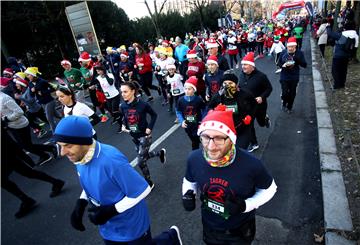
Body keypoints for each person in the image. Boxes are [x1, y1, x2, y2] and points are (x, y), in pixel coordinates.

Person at [53, 116, 182, 245]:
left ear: (84, 142)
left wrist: (110, 211)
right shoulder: (79, 157)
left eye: (67, 146)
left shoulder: (110, 160)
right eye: (60, 146)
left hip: (132, 226)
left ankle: (170, 237)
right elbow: (91, 182)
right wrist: (81, 203)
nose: (62, 153)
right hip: (108, 228)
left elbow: (143, 190)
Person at [181, 105, 277, 245]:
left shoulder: (251, 164)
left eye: (219, 138)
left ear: (231, 139)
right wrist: (188, 193)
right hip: (210, 226)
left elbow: (270, 189)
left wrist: (245, 205)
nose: (210, 146)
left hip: (240, 230)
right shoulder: (194, 158)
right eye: (206, 137)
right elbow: (189, 180)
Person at [1, 126, 65, 219]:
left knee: (7, 180)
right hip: (7, 154)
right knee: (27, 173)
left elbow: (6, 139)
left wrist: (21, 155)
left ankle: (26, 199)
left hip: (6, 155)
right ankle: (55, 182)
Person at [120, 82, 166, 188]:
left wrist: (149, 127)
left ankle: (149, 182)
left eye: (125, 91)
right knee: (144, 156)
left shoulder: (143, 104)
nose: (123, 94)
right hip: (133, 136)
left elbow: (154, 115)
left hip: (144, 136)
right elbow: (124, 117)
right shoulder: (123, 106)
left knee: (141, 161)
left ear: (133, 91)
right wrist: (123, 125)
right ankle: (160, 153)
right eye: (121, 92)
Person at [0, 91, 58, 165]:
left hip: (20, 125)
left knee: (27, 146)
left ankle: (49, 150)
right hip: (11, 126)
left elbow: (19, 112)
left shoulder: (4, 98)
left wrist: (5, 119)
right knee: (26, 146)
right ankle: (45, 154)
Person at [208, 71, 256, 149]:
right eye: (225, 83)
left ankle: (252, 143)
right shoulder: (218, 96)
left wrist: (250, 116)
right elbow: (209, 107)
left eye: (230, 83)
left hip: (242, 127)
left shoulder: (245, 94)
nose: (227, 86)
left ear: (236, 84)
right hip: (226, 129)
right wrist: (215, 111)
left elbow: (254, 105)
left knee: (240, 149)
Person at [238, 52, 273, 152]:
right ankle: (254, 143)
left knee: (261, 123)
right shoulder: (241, 75)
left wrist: (262, 97)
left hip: (259, 105)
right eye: (242, 65)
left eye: (245, 65)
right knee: (248, 124)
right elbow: (240, 87)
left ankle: (265, 119)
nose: (243, 67)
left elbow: (269, 88)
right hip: (247, 106)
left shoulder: (261, 76)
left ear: (252, 66)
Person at [25, 67, 62, 133]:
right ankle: (67, 120)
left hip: (49, 101)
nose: (27, 77)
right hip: (42, 102)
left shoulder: (42, 81)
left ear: (33, 74)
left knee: (49, 118)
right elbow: (32, 95)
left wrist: (43, 92)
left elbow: (53, 88)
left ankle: (55, 133)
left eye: (28, 75)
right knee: (56, 114)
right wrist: (32, 91)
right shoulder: (30, 83)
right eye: (27, 75)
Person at [13, 72, 48, 138]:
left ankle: (45, 129)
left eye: (17, 84)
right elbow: (26, 99)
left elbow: (31, 100)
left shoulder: (28, 90)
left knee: (42, 119)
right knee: (43, 119)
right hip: (33, 109)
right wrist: (22, 101)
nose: (16, 86)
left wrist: (20, 97)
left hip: (35, 109)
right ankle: (42, 129)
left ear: (21, 85)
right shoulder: (23, 91)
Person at [278, 37, 307, 113]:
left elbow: (304, 65)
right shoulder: (284, 52)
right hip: (284, 75)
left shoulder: (299, 53)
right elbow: (279, 63)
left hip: (294, 76)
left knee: (292, 93)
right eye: (288, 47)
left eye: (292, 47)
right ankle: (284, 102)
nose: (290, 48)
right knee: (285, 93)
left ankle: (289, 107)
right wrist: (283, 65)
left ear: (295, 46)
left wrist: (297, 59)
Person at [326, 21, 359, 89]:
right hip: (346, 56)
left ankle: (337, 85)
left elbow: (330, 33)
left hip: (338, 56)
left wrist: (328, 26)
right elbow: (355, 48)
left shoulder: (342, 34)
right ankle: (342, 84)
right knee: (344, 71)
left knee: (335, 71)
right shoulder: (356, 36)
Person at [176, 77, 206, 150]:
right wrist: (181, 121)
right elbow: (178, 111)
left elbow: (204, 109)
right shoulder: (181, 100)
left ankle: (198, 151)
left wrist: (203, 121)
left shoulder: (198, 100)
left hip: (197, 124)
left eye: (189, 89)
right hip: (187, 125)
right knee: (193, 139)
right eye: (185, 89)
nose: (187, 91)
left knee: (199, 140)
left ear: (194, 90)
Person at [94, 64, 123, 133]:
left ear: (103, 70)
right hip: (108, 97)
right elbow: (95, 83)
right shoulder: (98, 78)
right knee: (111, 112)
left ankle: (122, 125)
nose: (98, 73)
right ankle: (123, 115)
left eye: (99, 71)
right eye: (97, 71)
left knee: (114, 111)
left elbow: (111, 83)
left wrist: (105, 75)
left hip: (115, 95)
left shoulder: (110, 75)